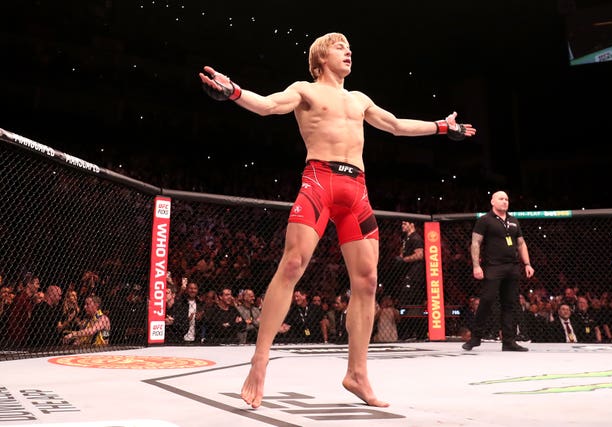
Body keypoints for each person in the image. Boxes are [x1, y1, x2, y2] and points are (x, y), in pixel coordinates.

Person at [199, 31, 475, 408]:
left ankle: (357, 373)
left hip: (357, 190)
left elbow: (395, 125)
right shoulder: (305, 90)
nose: (348, 52)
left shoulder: (359, 99)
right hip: (319, 182)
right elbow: (266, 106)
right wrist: (233, 92)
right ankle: (259, 360)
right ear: (320, 59)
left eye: (349, 47)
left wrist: (442, 127)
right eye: (339, 47)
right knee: (293, 263)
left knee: (368, 280)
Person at [463, 190, 533, 352]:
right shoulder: (485, 220)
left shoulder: (514, 221)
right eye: (501, 199)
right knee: (487, 300)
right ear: (492, 201)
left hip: (512, 266)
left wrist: (527, 263)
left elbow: (521, 244)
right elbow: (475, 243)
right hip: (493, 266)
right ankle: (475, 338)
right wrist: (476, 265)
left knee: (510, 303)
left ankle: (508, 341)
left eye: (507, 199)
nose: (505, 201)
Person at [396, 221, 426, 306]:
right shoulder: (406, 238)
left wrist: (404, 260)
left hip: (415, 273)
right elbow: (403, 253)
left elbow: (420, 255)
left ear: (412, 225)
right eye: (402, 224)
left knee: (412, 297)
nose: (402, 226)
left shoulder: (416, 238)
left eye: (405, 224)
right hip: (408, 271)